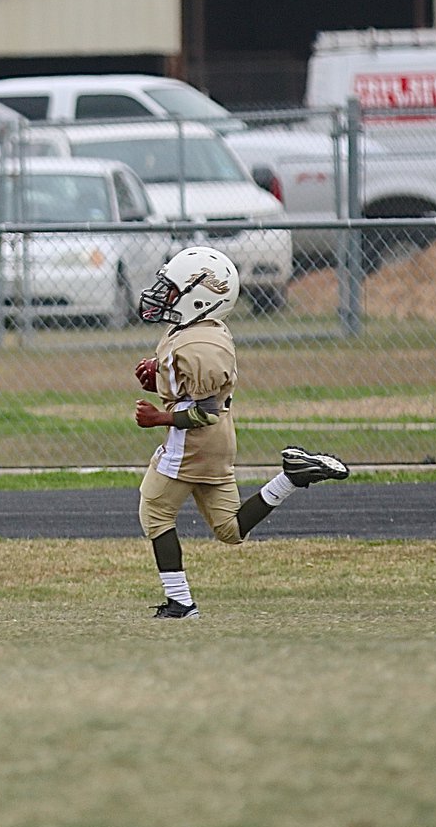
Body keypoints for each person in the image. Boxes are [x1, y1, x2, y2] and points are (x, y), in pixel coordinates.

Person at [134, 245, 349, 618]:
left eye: (172, 289)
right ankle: (290, 478)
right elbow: (198, 393)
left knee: (155, 512)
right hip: (217, 443)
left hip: (193, 441)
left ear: (200, 298)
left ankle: (181, 603)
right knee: (230, 529)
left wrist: (160, 418)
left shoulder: (198, 344)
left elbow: (204, 411)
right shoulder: (201, 331)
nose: (163, 296)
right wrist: (162, 378)